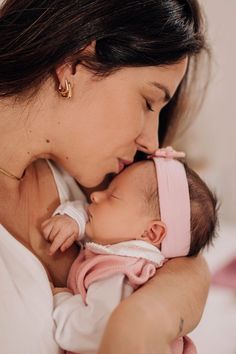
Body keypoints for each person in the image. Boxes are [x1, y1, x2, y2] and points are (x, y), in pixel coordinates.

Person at [0, 1, 211, 354]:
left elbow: (183, 255)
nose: (152, 141)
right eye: (148, 102)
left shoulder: (86, 181)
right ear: (73, 64)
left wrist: (139, 323)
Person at [41, 147, 218, 354]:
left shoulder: (118, 272)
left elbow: (92, 332)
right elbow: (90, 215)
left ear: (151, 232)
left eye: (113, 196)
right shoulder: (122, 244)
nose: (96, 196)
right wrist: (74, 221)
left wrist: (61, 300)